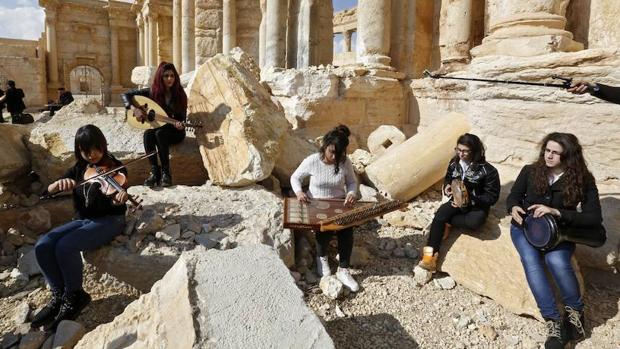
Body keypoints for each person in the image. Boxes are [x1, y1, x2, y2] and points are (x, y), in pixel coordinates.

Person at [506, 132, 602, 349]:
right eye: (547, 150)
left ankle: (575, 314)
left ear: (568, 156)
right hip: (525, 229)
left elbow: (593, 218)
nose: (548, 156)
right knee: (532, 262)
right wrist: (513, 207)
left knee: (557, 262)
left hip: (559, 232)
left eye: (555, 153)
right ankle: (553, 322)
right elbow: (513, 196)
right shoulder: (530, 171)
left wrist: (556, 212)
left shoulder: (583, 179)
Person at [31, 124, 128, 331]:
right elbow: (48, 191)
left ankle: (75, 295)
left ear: (103, 145)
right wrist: (57, 185)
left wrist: (119, 200)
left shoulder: (116, 168)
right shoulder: (79, 168)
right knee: (43, 245)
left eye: (95, 148)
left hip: (110, 220)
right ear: (79, 150)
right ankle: (59, 294)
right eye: (85, 150)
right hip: (82, 220)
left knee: (65, 246)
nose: (91, 154)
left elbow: (115, 199)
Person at [290, 125, 360, 292]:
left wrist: (351, 193)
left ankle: (343, 269)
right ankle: (322, 259)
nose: (334, 157)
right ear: (325, 146)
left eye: (338, 153)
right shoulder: (313, 160)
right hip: (317, 203)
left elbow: (351, 182)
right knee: (324, 231)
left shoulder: (344, 162)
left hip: (339, 203)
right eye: (331, 152)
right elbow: (295, 177)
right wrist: (299, 192)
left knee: (346, 231)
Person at [418, 133, 500, 272]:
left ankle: (448, 223)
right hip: (455, 201)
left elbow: (492, 198)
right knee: (438, 217)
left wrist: (467, 199)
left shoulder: (489, 171)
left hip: (476, 205)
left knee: (475, 223)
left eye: (465, 151)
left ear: (474, 150)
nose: (460, 154)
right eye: (458, 149)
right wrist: (448, 187)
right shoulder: (454, 162)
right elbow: (448, 178)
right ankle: (429, 258)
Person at [122, 62, 187, 187]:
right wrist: (134, 108)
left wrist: (179, 124)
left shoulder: (180, 95)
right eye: (166, 76)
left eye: (172, 76)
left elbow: (182, 119)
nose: (169, 79)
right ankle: (154, 172)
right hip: (159, 127)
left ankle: (166, 173)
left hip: (175, 132)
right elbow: (126, 95)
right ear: (160, 77)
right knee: (148, 134)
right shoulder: (153, 92)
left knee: (160, 133)